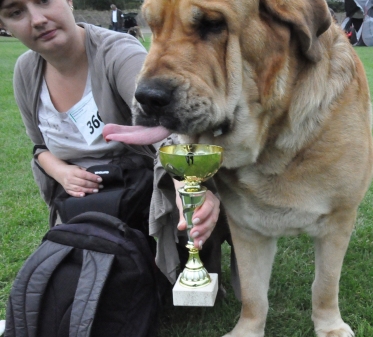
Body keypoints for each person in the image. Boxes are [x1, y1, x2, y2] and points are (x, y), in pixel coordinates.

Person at [0, 0, 227, 287]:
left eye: (43, 1)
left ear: (68, 2)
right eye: (15, 12)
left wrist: (187, 188)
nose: (37, 20)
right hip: (80, 207)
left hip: (139, 197)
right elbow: (39, 148)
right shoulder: (25, 71)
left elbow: (169, 130)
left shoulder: (118, 52)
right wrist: (61, 172)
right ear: (4, 25)